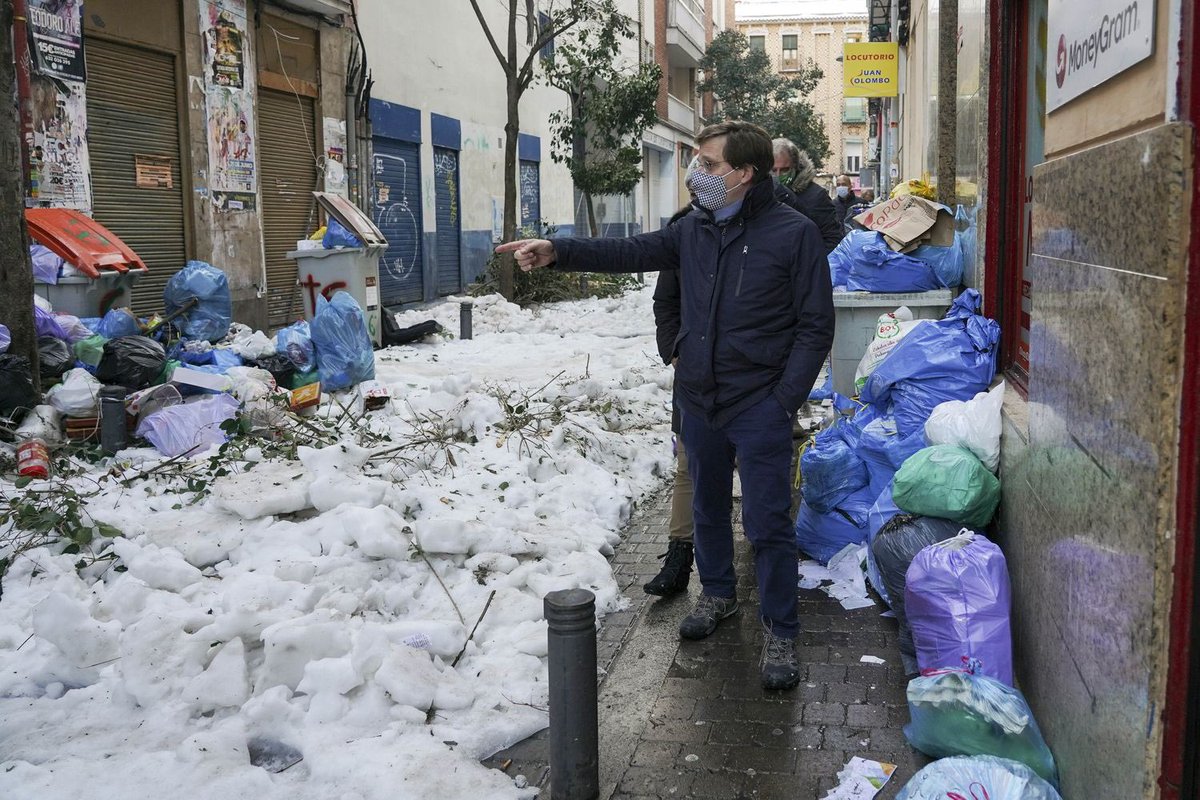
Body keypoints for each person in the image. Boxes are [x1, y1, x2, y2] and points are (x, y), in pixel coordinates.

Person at [497, 120, 834, 691]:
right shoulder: (692, 229)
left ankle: (781, 627)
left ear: (743, 174)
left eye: (707, 164)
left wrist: (784, 401)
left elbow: (814, 326)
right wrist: (558, 250)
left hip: (760, 404)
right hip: (701, 400)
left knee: (768, 522)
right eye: (697, 162)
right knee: (705, 507)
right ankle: (720, 596)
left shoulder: (794, 233)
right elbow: (628, 251)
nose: (695, 173)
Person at [644, 208, 695, 598]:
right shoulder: (682, 230)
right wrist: (674, 350)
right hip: (694, 375)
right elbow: (666, 303)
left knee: (756, 467)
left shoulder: (775, 225)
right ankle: (679, 557)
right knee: (687, 465)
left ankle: (759, 552)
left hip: (753, 380)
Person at [771, 138, 842, 254]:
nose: (778, 175)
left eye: (784, 170)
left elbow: (832, 240)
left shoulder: (817, 196)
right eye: (773, 170)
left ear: (795, 166)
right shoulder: (760, 195)